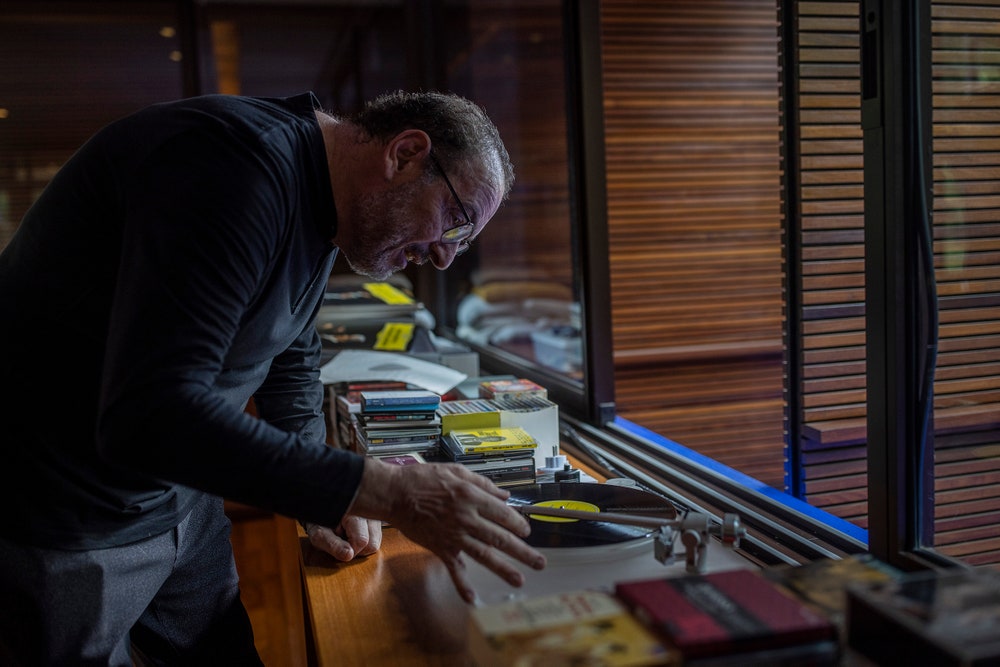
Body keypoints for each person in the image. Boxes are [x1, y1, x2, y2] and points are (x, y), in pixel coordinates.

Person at [0, 89, 546, 665]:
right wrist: (382, 488)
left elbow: (288, 349)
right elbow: (149, 412)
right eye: (456, 224)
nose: (443, 257)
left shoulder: (318, 194)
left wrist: (321, 494)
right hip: (65, 513)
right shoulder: (232, 169)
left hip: (179, 495)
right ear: (406, 153)